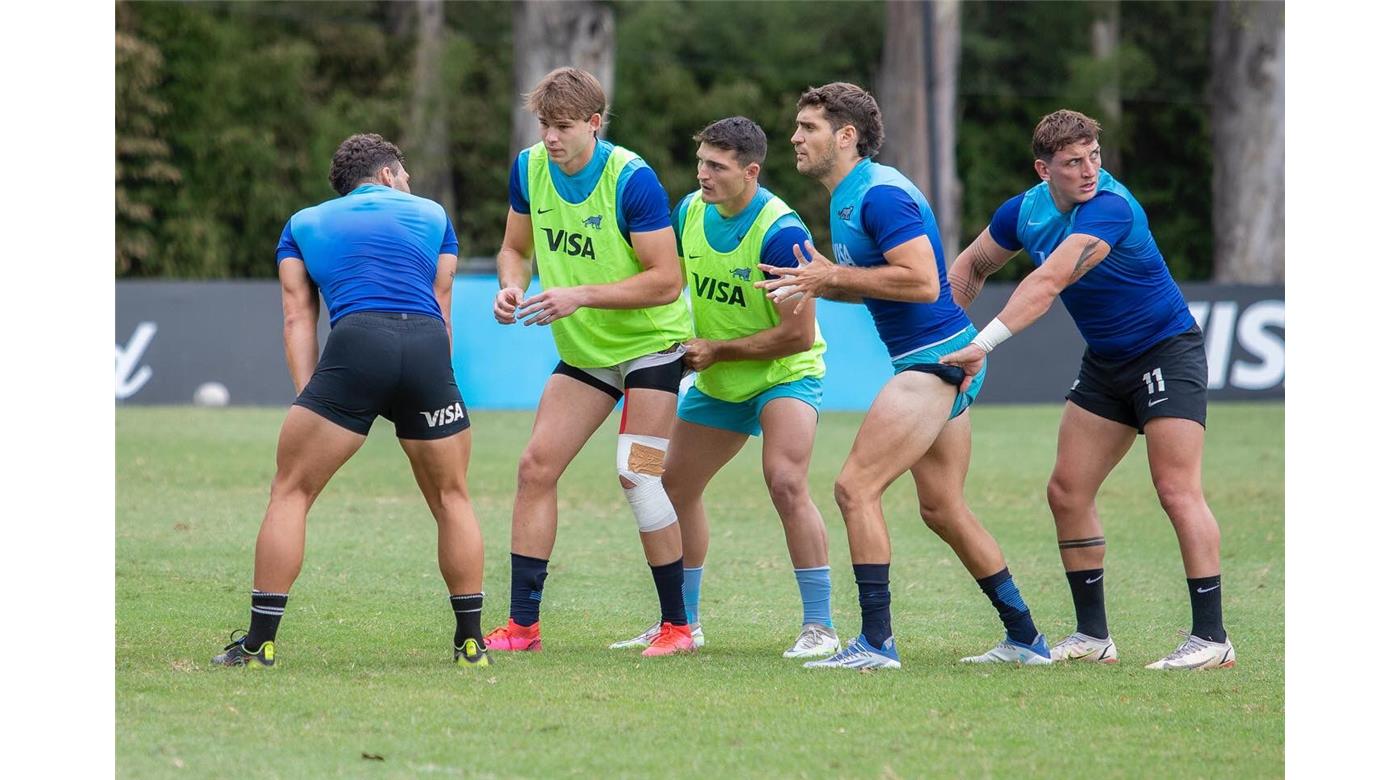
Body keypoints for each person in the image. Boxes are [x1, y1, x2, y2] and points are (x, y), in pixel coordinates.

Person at [757, 83, 1051, 670]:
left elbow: (920, 281)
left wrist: (831, 279)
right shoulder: (850, 196)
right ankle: (1027, 639)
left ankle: (876, 644)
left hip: (934, 360)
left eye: (808, 127)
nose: (795, 137)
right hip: (939, 355)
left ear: (846, 136)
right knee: (943, 509)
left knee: (854, 489)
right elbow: (879, 283)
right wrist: (822, 281)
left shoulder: (878, 195)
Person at [940, 109, 1234, 670]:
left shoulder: (1111, 208)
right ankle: (1093, 637)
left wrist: (983, 343)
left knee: (1176, 489)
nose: (1089, 170)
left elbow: (1048, 282)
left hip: (1166, 349)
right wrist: (940, 336)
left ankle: (1212, 639)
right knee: (1067, 491)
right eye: (1073, 162)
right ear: (1043, 168)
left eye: (1094, 156)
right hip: (1107, 362)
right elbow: (973, 265)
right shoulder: (1023, 211)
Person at [212, 133, 490, 669]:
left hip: (357, 345)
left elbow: (298, 316)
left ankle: (260, 643)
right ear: (387, 175)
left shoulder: (303, 224)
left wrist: (312, 398)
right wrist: (433, 380)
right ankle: (471, 644)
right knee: (453, 497)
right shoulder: (432, 214)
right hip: (428, 350)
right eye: (403, 174)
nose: (408, 184)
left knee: (291, 491)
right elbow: (441, 305)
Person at [608, 117, 840, 659]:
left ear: (750, 172)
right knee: (671, 486)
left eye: (717, 166)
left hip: (786, 374)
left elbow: (796, 335)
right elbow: (670, 289)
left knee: (785, 481)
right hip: (719, 380)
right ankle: (683, 625)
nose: (702, 175)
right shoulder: (689, 211)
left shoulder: (781, 232)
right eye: (701, 163)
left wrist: (716, 350)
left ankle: (821, 627)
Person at [487, 67, 697, 657]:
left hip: (655, 347)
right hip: (586, 352)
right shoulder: (529, 169)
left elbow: (665, 282)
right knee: (535, 467)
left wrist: (578, 294)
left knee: (638, 472)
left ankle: (677, 628)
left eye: (563, 127)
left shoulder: (633, 180)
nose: (550, 138)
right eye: (544, 125)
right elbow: (514, 248)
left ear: (594, 125)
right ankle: (523, 627)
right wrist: (510, 286)